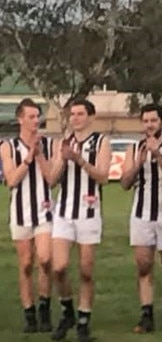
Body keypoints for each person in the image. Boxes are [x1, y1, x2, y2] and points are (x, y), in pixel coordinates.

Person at [49, 99, 111, 342]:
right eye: (72, 114)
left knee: (86, 270)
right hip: (64, 211)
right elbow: (52, 180)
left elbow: (104, 177)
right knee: (59, 267)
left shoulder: (101, 142)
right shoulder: (63, 143)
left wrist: (80, 160)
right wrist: (63, 159)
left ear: (90, 117)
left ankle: (84, 319)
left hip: (89, 211)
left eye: (79, 113)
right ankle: (67, 311)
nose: (75, 118)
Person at [0, 98, 55, 333]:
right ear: (20, 119)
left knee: (45, 259)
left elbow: (52, 178)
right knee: (26, 264)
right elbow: (11, 180)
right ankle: (29, 312)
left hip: (44, 211)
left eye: (37, 116)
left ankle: (44, 307)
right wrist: (29, 156)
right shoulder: (8, 147)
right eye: (30, 117)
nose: (35, 121)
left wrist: (39, 154)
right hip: (20, 213)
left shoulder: (49, 144)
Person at [119, 103, 162, 334]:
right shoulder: (134, 148)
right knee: (144, 265)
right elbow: (124, 184)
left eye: (153, 120)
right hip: (142, 213)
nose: (149, 125)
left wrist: (157, 154)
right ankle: (147, 315)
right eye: (146, 121)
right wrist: (138, 162)